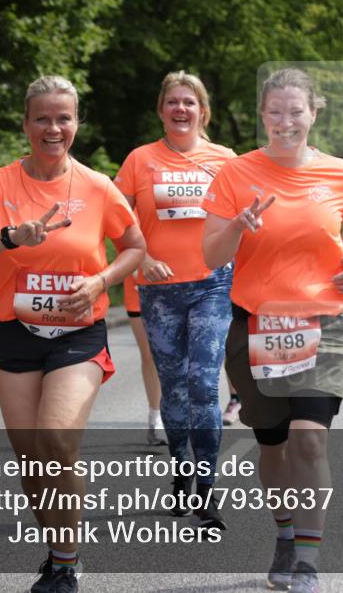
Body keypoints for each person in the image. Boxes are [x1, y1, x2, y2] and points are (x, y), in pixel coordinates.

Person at [0, 75, 145, 592]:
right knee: (32, 461)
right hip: (16, 332)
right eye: (43, 118)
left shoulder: (97, 186)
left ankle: (67, 563)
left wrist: (101, 281)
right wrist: (10, 237)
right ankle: (57, 554)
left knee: (55, 440)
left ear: (77, 123)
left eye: (64, 118)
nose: (53, 128)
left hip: (79, 333)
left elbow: (135, 247)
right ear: (26, 124)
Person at [201, 68, 343, 593]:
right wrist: (237, 225)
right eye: (275, 112)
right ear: (262, 115)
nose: (285, 122)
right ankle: (284, 532)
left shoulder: (339, 173)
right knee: (273, 446)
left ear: (313, 114)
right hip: (257, 326)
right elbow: (210, 254)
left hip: (325, 321)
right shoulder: (236, 174)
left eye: (296, 111)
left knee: (309, 440)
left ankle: (306, 560)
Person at [114, 70, 236, 530]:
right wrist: (141, 258)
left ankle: (207, 489)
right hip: (159, 290)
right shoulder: (140, 160)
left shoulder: (225, 160)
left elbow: (249, 217)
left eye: (189, 102)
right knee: (175, 389)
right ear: (161, 110)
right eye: (172, 102)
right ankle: (181, 469)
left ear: (203, 111)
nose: (181, 109)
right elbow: (114, 219)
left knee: (203, 383)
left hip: (212, 285)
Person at [122, 275, 165, 446]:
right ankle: (156, 417)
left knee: (183, 354)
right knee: (150, 354)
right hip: (140, 284)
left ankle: (180, 414)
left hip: (182, 282)